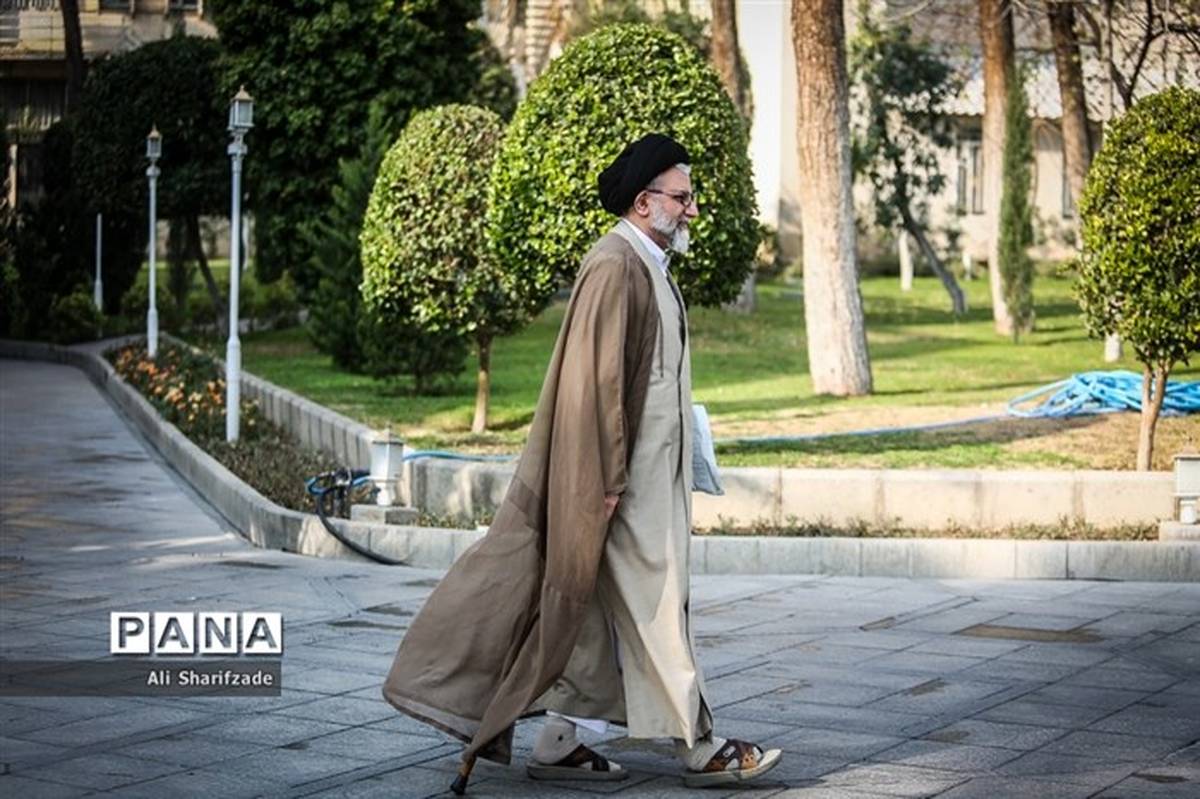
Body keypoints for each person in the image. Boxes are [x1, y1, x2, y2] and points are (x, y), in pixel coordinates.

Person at [382, 133, 782, 792]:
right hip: (620, 486)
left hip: (639, 481)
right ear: (644, 201)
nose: (691, 209)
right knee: (658, 604)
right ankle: (699, 745)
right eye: (681, 198)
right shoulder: (616, 264)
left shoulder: (647, 262)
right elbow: (595, 388)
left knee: (591, 610)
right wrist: (604, 484)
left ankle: (559, 742)